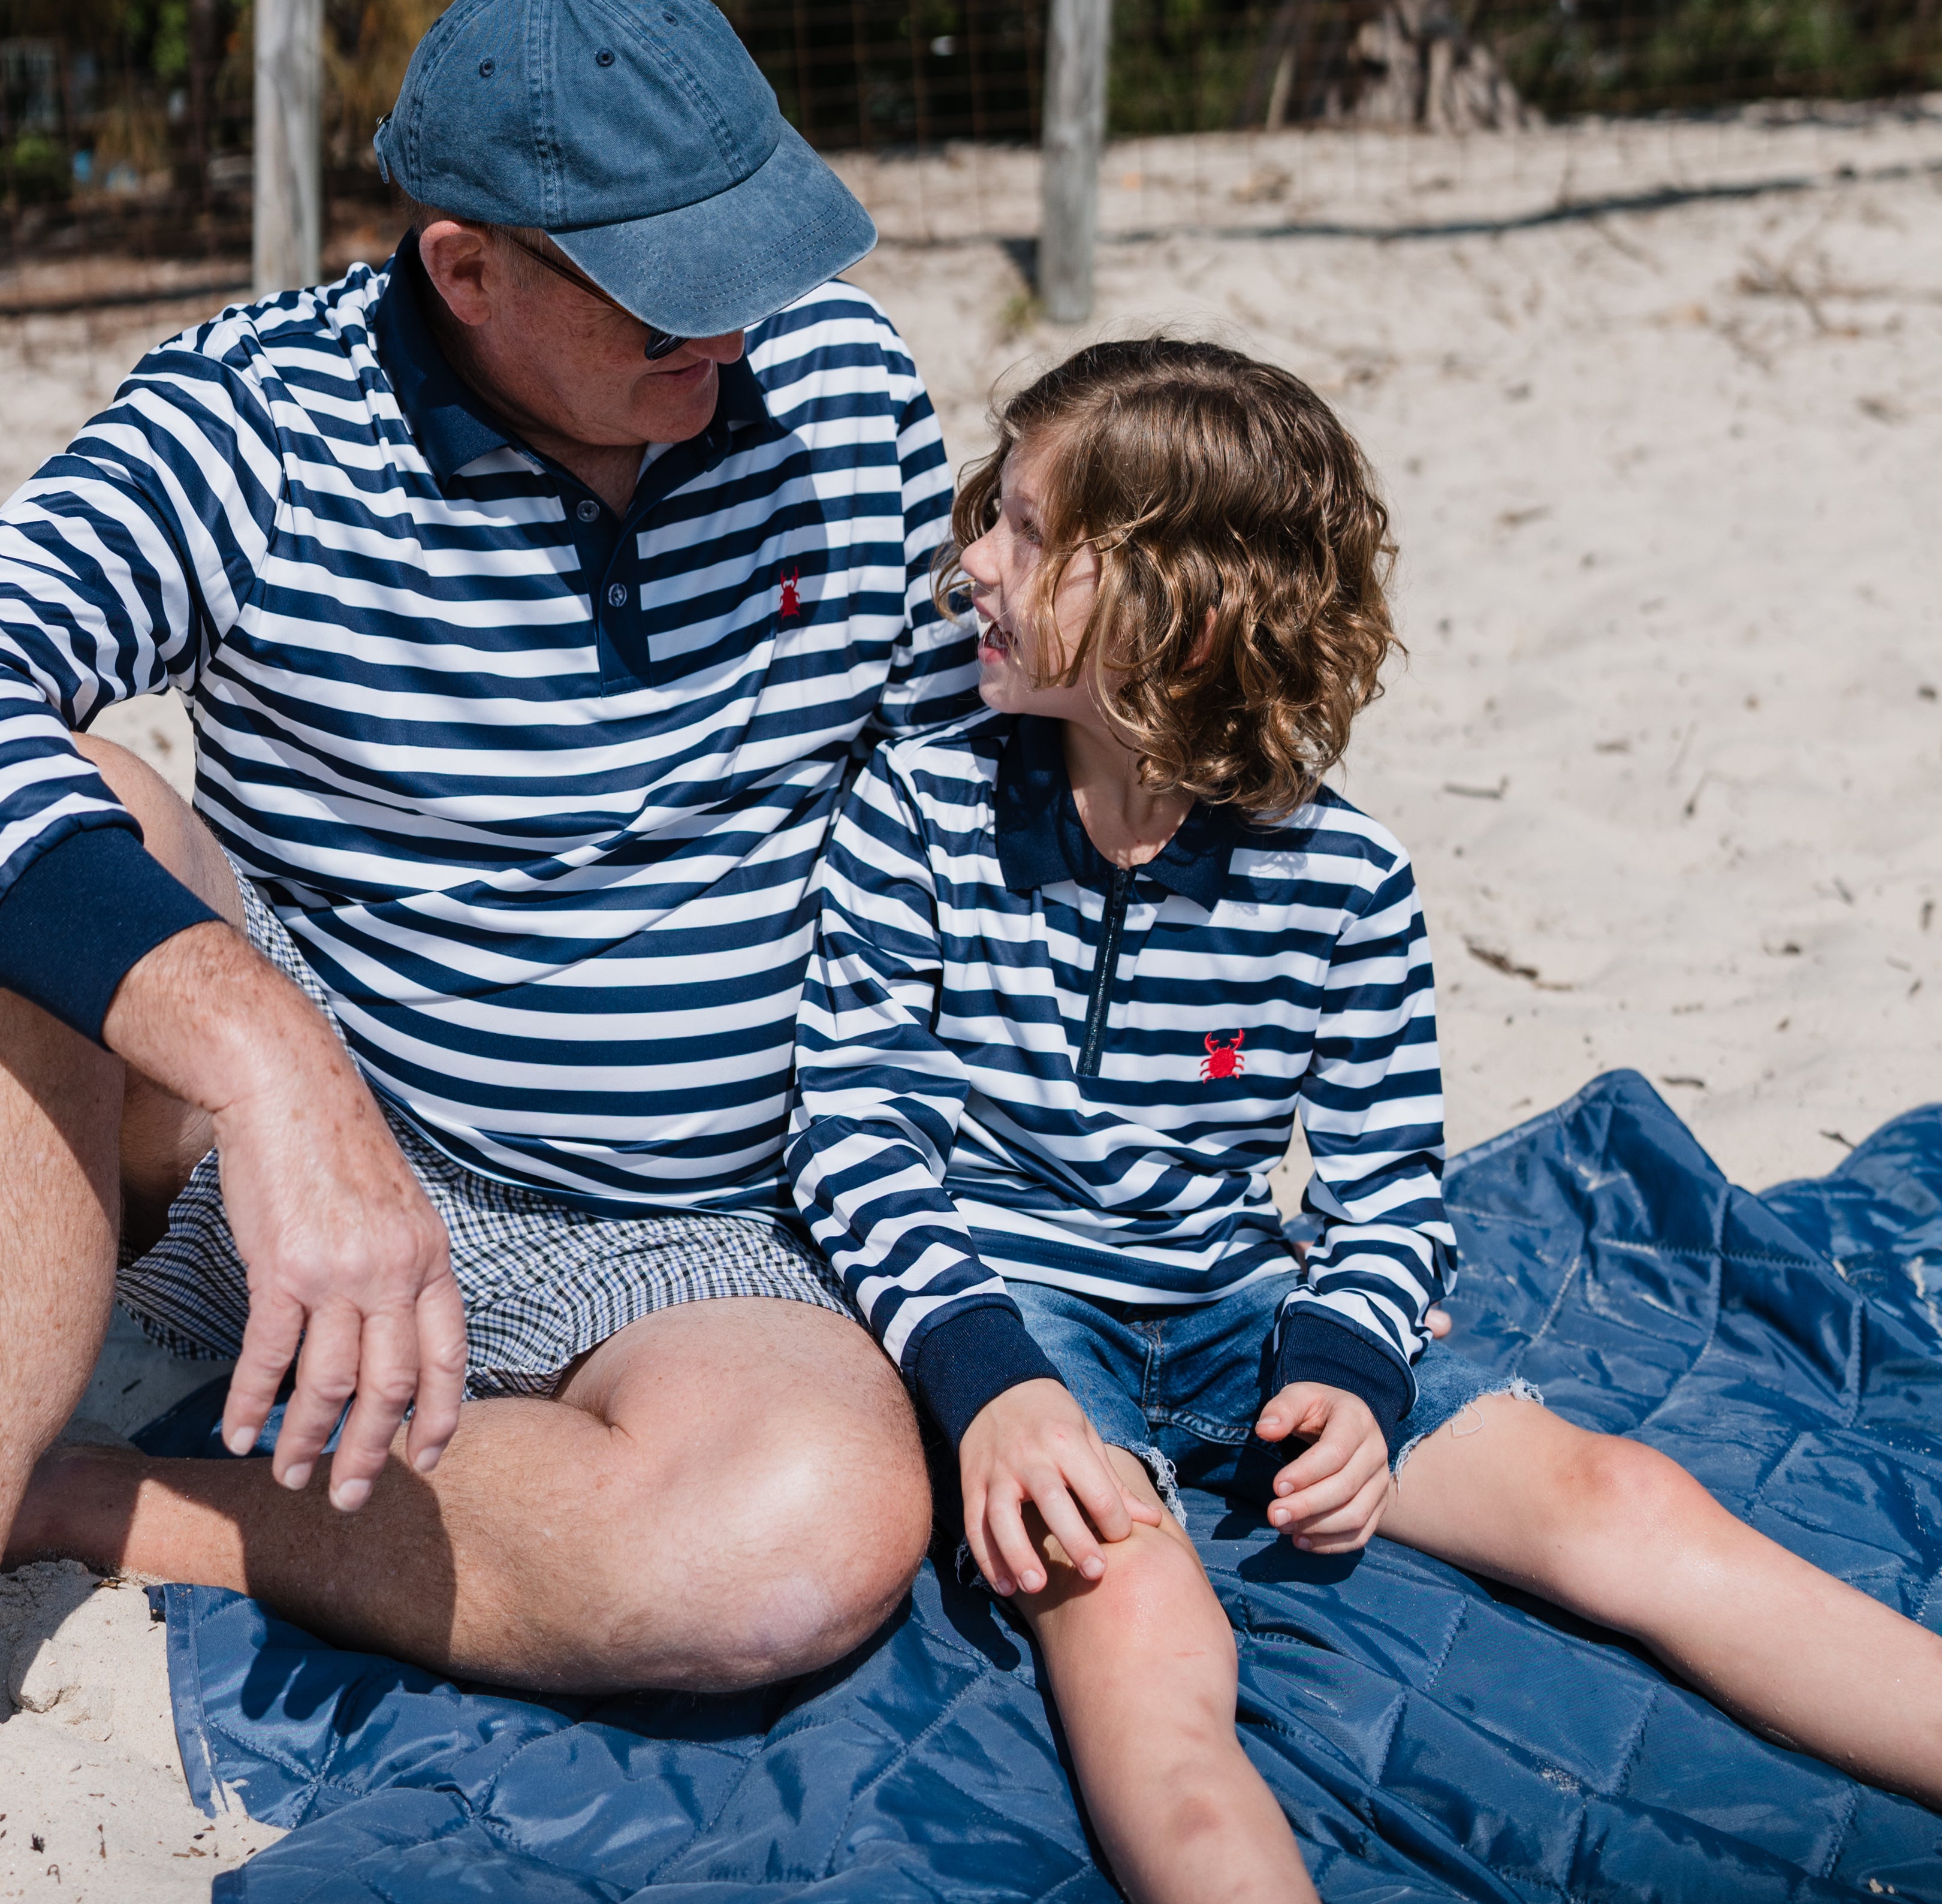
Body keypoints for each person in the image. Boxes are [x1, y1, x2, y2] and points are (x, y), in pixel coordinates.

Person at [0, 0, 977, 1904]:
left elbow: (942, 790)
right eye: (672, 290)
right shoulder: (262, 424)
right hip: (309, 1165)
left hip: (701, 1231)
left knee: (800, 1544)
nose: (735, 336)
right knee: (27, 842)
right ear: (464, 268)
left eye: (763, 258)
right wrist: (275, 1068)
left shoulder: (838, 385)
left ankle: (96, 1493)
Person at [788, 337, 1942, 1904]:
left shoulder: (1342, 884)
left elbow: (1390, 1191)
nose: (969, 565)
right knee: (1141, 1625)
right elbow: (855, 1138)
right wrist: (990, 1387)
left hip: (1237, 1304)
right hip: (1016, 1315)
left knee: (1624, 1498)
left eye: (1028, 529)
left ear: (1175, 614)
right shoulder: (915, 817)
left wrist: (1346, 1367)